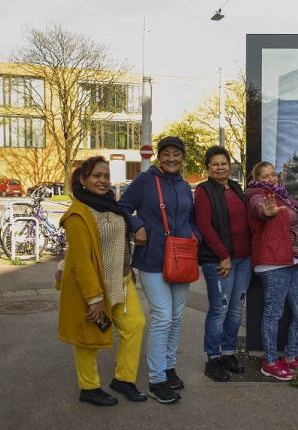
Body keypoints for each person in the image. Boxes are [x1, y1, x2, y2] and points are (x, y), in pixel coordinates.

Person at [119, 136, 201, 404]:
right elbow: (121, 208)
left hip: (182, 258)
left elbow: (190, 218)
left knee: (176, 317)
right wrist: (138, 225)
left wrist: (195, 236)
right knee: (163, 316)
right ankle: (156, 379)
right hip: (153, 258)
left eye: (177, 154)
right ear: (159, 156)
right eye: (166, 154)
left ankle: (168, 367)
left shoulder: (183, 184)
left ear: (183, 157)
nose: (172, 159)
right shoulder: (145, 180)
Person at [58, 156, 146, 406]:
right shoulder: (78, 214)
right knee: (89, 339)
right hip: (95, 288)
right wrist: (94, 299)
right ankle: (89, 387)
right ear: (82, 179)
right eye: (96, 175)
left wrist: (127, 266)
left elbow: (118, 242)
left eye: (106, 176)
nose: (103, 180)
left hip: (122, 280)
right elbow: (83, 261)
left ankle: (124, 380)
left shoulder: (110, 205)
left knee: (135, 325)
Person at [247, 159, 298, 380]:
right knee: (274, 313)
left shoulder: (283, 197)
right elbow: (259, 209)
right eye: (264, 176)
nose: (270, 179)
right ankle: (270, 362)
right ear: (256, 179)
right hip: (274, 262)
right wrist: (267, 212)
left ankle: (290, 357)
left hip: (293, 262)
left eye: (273, 174)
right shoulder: (256, 195)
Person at [194, 146, 251, 382]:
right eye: (215, 164)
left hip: (244, 260)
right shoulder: (204, 190)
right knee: (220, 310)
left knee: (236, 309)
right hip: (220, 261)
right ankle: (212, 359)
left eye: (224, 163)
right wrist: (223, 255)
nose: (220, 167)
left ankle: (228, 353)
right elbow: (204, 226)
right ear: (208, 168)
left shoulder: (236, 187)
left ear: (230, 165)